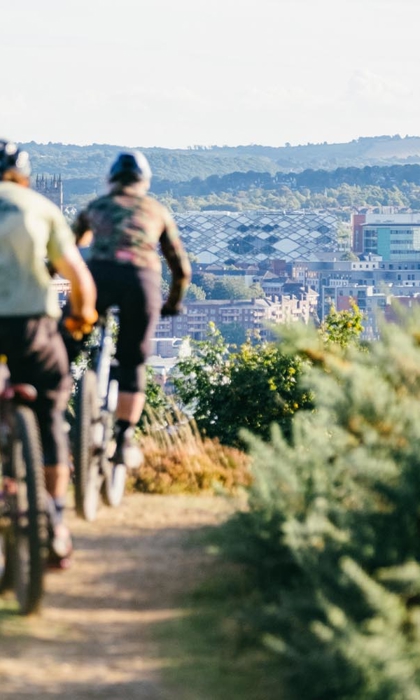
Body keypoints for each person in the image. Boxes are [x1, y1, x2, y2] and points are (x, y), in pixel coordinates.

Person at [0, 139, 97, 567]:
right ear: (23, 173)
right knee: (52, 414)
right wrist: (80, 319)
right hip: (32, 329)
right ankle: (56, 522)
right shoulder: (40, 207)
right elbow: (79, 278)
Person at [72, 150, 191, 465]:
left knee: (69, 339)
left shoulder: (96, 207)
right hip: (141, 282)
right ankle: (124, 439)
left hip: (99, 278)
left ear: (110, 180)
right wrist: (173, 303)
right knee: (133, 361)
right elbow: (181, 268)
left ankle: (56, 401)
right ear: (144, 182)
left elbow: (71, 249)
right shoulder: (156, 211)